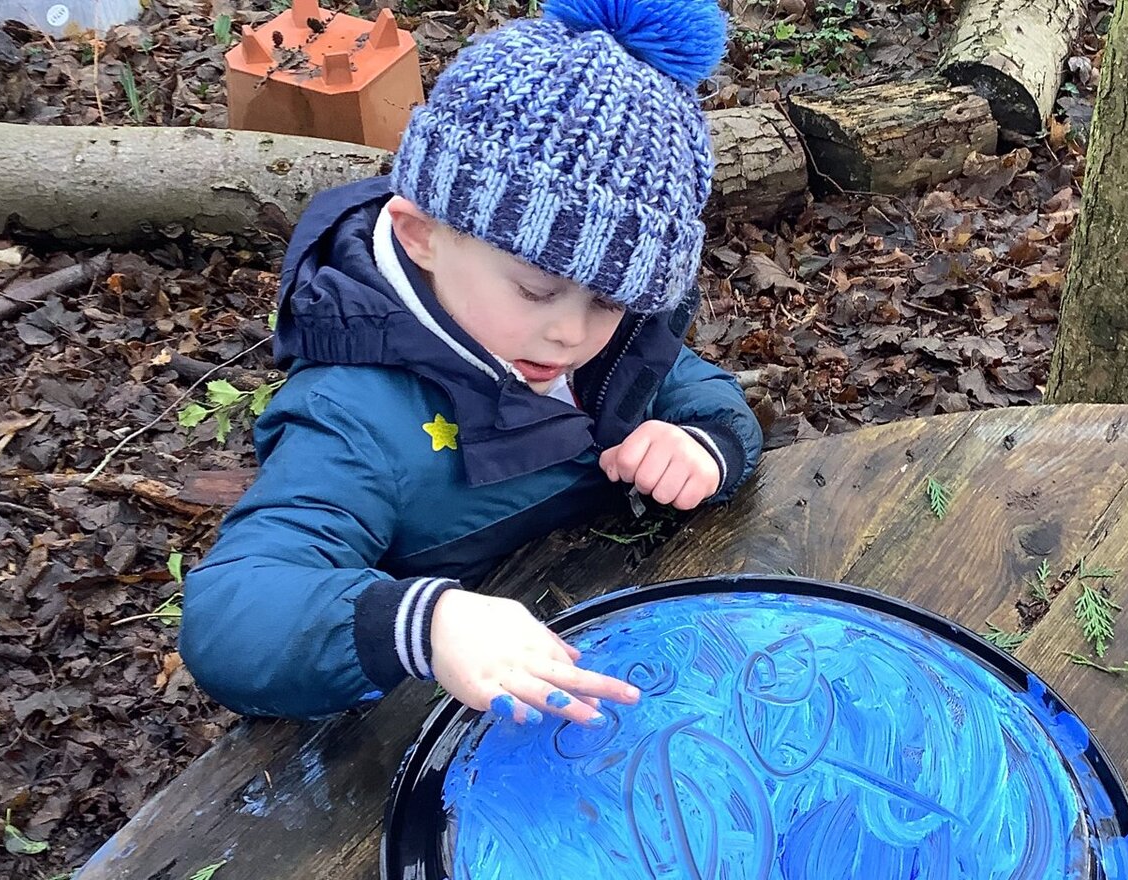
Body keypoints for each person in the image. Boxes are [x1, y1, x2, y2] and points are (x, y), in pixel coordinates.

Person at [177, 0, 761, 723]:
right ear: (422, 235)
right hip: (442, 717)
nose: (571, 336)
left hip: (619, 639)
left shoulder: (599, 334)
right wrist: (424, 624)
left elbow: (693, 385)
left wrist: (703, 444)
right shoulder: (353, 414)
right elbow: (232, 613)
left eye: (609, 303)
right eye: (536, 290)